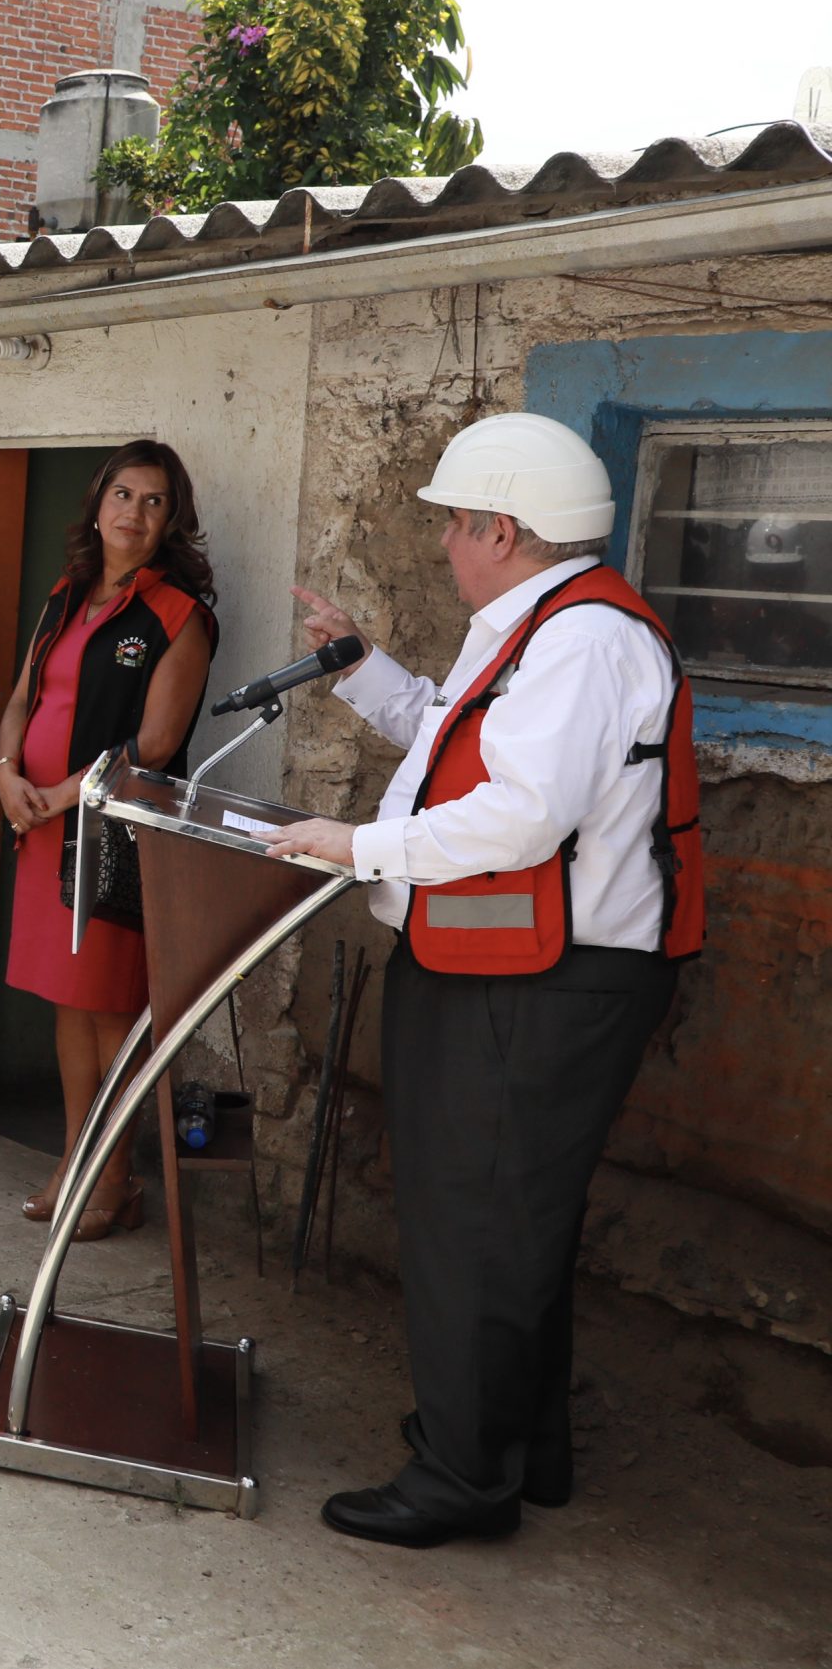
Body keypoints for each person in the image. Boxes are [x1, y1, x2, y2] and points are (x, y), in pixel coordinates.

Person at [262, 414, 701, 1549]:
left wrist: (354, 846)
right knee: (510, 1220)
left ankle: (462, 1476)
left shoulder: (581, 641)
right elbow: (454, 744)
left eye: (453, 525)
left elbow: (520, 814)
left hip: (545, 979)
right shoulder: (532, 626)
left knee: (473, 1219)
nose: (446, 544)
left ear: (500, 529)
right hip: (506, 963)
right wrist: (361, 670)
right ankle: (520, 1447)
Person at [0, 440, 215, 1240]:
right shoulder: (65, 595)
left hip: (114, 837)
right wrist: (4, 770)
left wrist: (55, 795)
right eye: (122, 494)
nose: (134, 512)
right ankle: (73, 1159)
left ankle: (114, 1178)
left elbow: (153, 745)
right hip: (43, 826)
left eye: (154, 501)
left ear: (171, 519)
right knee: (67, 1000)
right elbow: (22, 698)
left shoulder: (180, 617)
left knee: (112, 1009)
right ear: (98, 503)